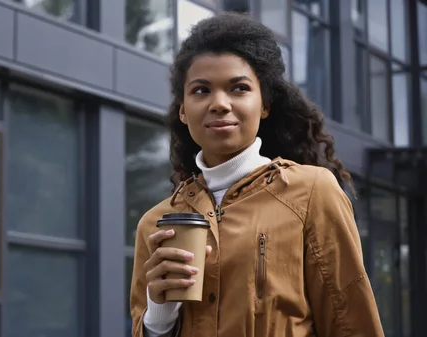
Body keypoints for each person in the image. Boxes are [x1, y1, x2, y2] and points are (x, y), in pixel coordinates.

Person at [129, 11, 384, 337]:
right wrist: (158, 318)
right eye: (201, 91)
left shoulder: (311, 193)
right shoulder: (156, 224)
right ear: (182, 109)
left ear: (264, 104)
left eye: (238, 88)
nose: (219, 103)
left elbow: (352, 324)